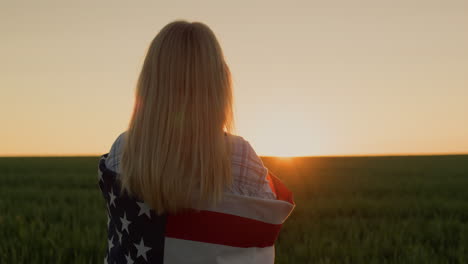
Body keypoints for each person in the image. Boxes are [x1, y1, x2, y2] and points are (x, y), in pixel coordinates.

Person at [97, 20, 295, 264]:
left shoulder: (121, 150)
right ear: (218, 84)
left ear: (150, 83)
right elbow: (263, 232)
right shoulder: (241, 156)